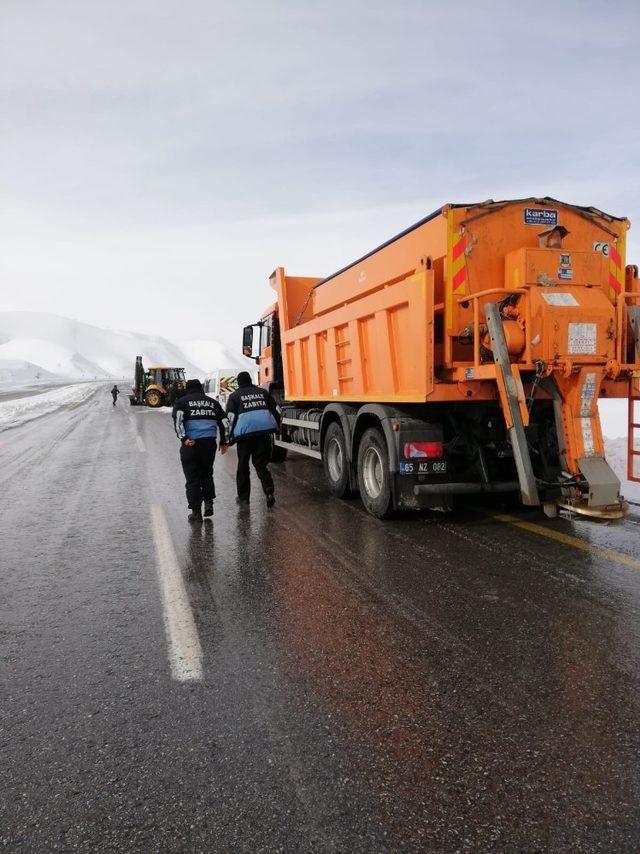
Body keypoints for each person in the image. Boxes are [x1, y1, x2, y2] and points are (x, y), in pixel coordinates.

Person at [172, 378, 228, 523]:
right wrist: (223, 441)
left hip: (191, 444)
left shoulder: (182, 402)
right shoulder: (212, 403)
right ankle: (208, 503)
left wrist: (184, 438)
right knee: (207, 474)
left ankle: (196, 513)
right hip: (209, 444)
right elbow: (224, 422)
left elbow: (178, 420)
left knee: (192, 478)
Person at [226, 371, 280, 508]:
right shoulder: (263, 393)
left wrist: (228, 439)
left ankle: (244, 498)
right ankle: (268, 490)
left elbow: (230, 420)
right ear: (250, 380)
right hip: (263, 435)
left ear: (238, 382)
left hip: (244, 438)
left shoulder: (234, 396)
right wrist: (277, 427)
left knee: (243, 465)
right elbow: (277, 410)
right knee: (261, 464)